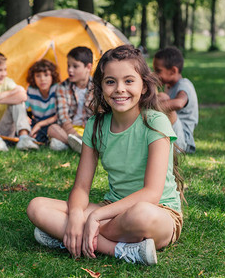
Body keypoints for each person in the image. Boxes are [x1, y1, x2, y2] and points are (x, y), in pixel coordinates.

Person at [26, 44, 184, 266]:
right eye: (111, 81)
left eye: (129, 81)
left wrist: (93, 217)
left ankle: (68, 237)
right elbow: (81, 187)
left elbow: (151, 194)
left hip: (157, 213)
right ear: (100, 87)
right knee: (37, 206)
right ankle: (120, 250)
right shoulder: (96, 125)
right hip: (113, 208)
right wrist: (75, 216)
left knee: (141, 214)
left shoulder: (155, 121)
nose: (120, 89)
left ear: (144, 87)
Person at [153, 46, 199, 153]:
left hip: (182, 140)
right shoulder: (169, 86)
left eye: (158, 71)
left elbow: (179, 103)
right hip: (172, 133)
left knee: (162, 98)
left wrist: (152, 106)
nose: (155, 74)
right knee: (160, 97)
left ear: (173, 70)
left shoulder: (184, 84)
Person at [56, 46, 94, 153]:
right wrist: (76, 136)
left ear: (88, 67)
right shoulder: (62, 87)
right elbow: (63, 117)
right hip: (69, 130)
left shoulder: (97, 87)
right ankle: (80, 145)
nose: (70, 70)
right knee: (52, 129)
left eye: (75, 66)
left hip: (89, 130)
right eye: (68, 66)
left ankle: (76, 145)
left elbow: (100, 115)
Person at [25, 59, 69, 151]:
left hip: (53, 122)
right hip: (37, 122)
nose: (42, 79)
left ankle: (58, 142)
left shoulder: (57, 88)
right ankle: (41, 141)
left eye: (46, 75)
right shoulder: (31, 90)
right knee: (28, 130)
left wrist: (40, 124)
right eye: (38, 76)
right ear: (33, 78)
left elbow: (59, 115)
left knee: (55, 130)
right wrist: (25, 116)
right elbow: (24, 106)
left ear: (52, 76)